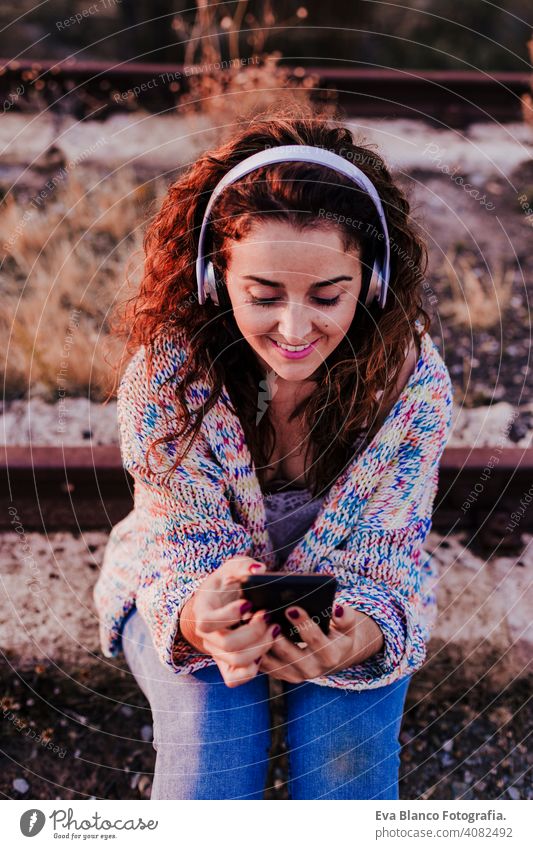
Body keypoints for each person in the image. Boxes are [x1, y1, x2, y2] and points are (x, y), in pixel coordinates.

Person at [93, 102, 454, 800]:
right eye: (261, 295)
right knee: (215, 751)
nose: (294, 328)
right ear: (212, 279)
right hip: (187, 589)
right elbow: (180, 542)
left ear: (372, 283)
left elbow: (387, 551)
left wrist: (361, 637)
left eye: (326, 295)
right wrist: (200, 618)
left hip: (350, 601)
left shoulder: (410, 383)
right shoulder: (167, 375)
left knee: (345, 767)